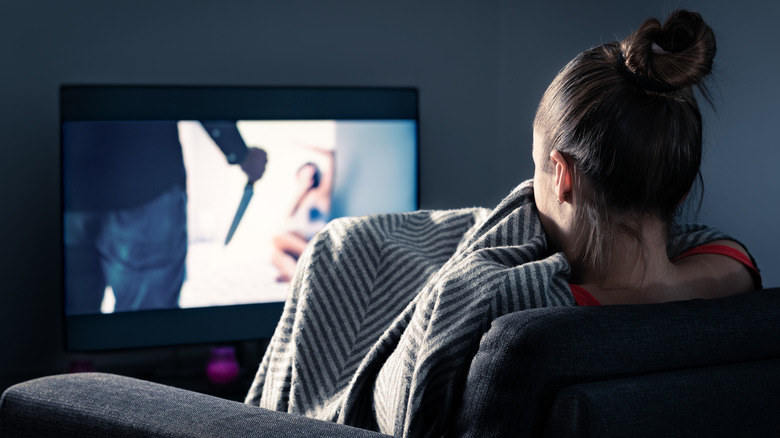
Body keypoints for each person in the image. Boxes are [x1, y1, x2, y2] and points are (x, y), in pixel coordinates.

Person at [246, 10, 761, 437]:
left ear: (561, 176)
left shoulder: (509, 315)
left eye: (536, 166)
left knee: (340, 245)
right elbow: (711, 262)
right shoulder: (732, 279)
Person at [531, 9, 760, 304]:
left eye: (537, 164)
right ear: (683, 191)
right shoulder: (735, 273)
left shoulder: (542, 308)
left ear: (563, 178)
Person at [63, 120, 267, 314]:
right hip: (144, 181)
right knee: (145, 323)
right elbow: (199, 88)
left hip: (69, 183)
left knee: (75, 322)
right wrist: (240, 153)